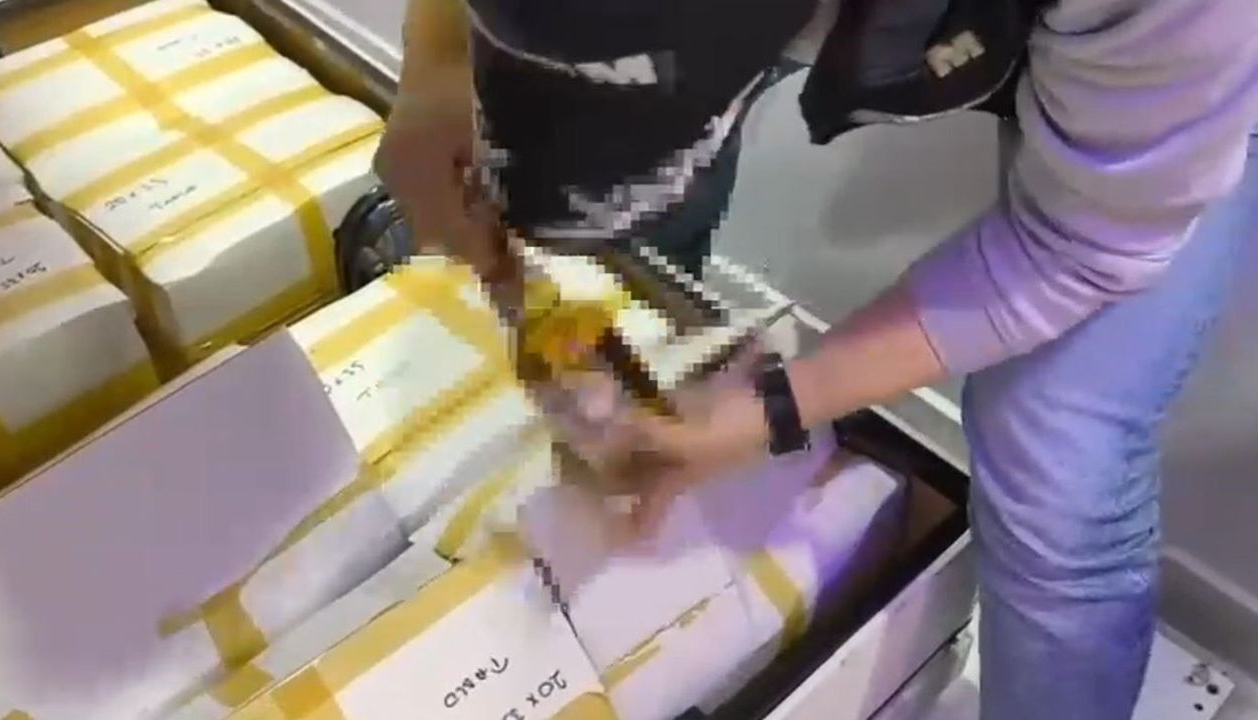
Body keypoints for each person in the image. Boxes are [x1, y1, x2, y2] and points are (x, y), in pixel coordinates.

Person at [375, 1, 1258, 718]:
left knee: (1056, 449)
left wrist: (774, 408)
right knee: (634, 236)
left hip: (1173, 87)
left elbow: (1083, 246)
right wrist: (440, 58)